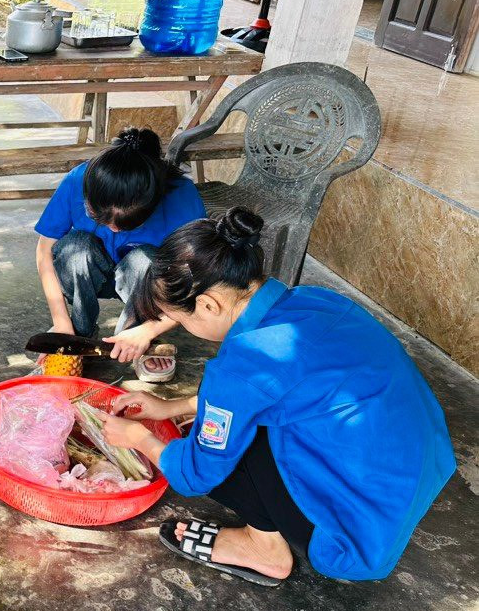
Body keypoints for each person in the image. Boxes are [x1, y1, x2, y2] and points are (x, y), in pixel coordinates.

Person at [101, 208, 455, 585]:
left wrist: (138, 437)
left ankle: (263, 548)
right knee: (223, 425)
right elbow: (276, 390)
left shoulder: (242, 366)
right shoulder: (316, 299)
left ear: (208, 305)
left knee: (206, 449)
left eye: (181, 320)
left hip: (353, 536)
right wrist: (172, 405)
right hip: (409, 477)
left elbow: (195, 474)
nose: (185, 328)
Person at [35, 127, 206, 363]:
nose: (113, 229)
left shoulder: (181, 196)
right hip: (94, 272)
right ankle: (78, 332)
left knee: (146, 259)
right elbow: (44, 251)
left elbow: (201, 280)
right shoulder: (79, 179)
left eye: (128, 224)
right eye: (100, 220)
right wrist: (61, 321)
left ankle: (132, 340)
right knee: (76, 248)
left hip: (147, 284)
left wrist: (150, 330)